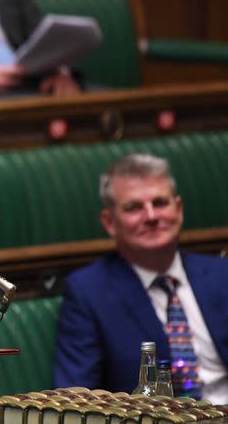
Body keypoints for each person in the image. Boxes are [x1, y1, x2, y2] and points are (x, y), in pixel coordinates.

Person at [54, 153, 228, 402]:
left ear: (178, 209)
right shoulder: (88, 293)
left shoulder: (223, 274)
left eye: (159, 203)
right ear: (110, 222)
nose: (151, 216)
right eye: (134, 207)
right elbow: (76, 401)